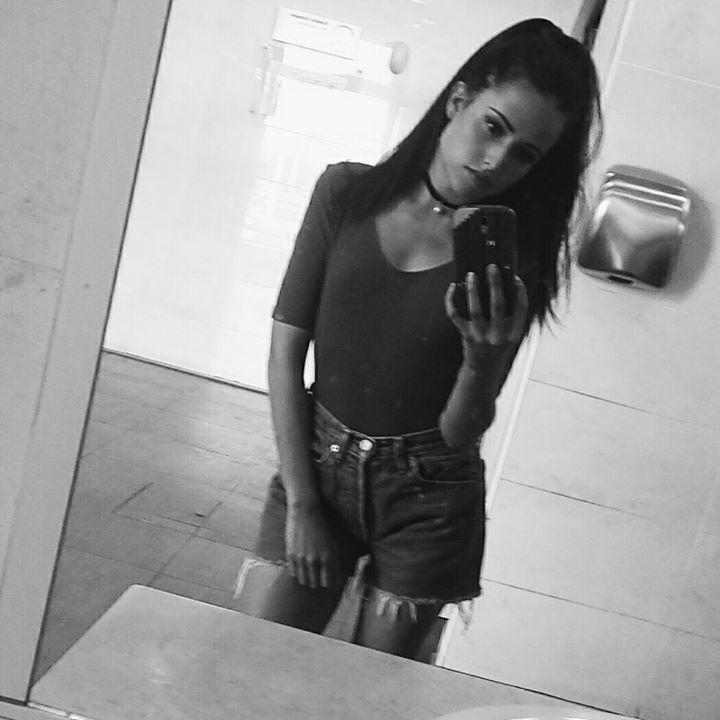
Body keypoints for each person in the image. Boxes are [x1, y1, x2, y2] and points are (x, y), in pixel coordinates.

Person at [234, 18, 602, 659]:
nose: (496, 162)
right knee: (249, 661)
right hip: (319, 465)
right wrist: (302, 504)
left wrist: (483, 359)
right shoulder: (346, 194)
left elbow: (459, 432)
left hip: (430, 498)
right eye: (493, 127)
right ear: (459, 100)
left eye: (525, 154)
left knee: (371, 694)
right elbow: (285, 355)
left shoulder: (514, 267)